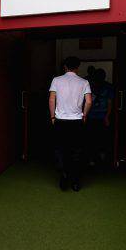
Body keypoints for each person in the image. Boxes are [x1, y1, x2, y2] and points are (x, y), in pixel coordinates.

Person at [49, 57, 92, 191]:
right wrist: (84, 115)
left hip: (60, 121)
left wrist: (52, 116)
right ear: (77, 68)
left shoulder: (56, 80)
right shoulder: (84, 82)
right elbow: (89, 101)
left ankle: (64, 176)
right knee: (77, 151)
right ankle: (75, 182)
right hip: (77, 122)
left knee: (60, 149)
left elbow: (51, 99)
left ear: (65, 67)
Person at [87, 68, 115, 166]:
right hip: (93, 115)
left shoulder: (107, 87)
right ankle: (93, 158)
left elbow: (110, 103)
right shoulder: (90, 86)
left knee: (100, 138)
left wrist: (107, 117)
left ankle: (100, 158)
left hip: (100, 116)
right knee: (93, 138)